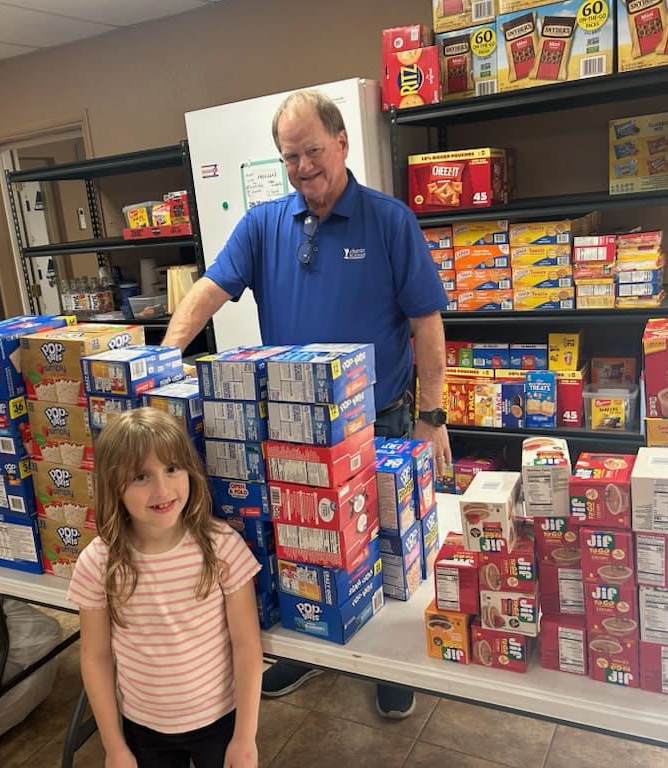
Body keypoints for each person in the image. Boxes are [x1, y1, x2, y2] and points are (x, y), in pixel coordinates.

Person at [163, 89, 451, 720]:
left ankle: (389, 665)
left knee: (386, 547)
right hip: (293, 428)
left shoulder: (389, 220)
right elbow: (208, 292)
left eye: (312, 151)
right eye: (289, 156)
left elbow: (426, 322)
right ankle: (311, 645)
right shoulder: (264, 224)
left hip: (380, 420)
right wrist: (160, 363)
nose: (302, 167)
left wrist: (434, 416)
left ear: (342, 144)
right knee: (305, 547)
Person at [67, 408, 263, 768]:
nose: (162, 489)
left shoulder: (222, 546)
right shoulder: (98, 563)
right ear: (114, 486)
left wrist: (246, 738)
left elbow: (247, 644)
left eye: (172, 469)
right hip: (143, 729)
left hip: (220, 722)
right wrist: (114, 746)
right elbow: (95, 657)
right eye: (141, 476)